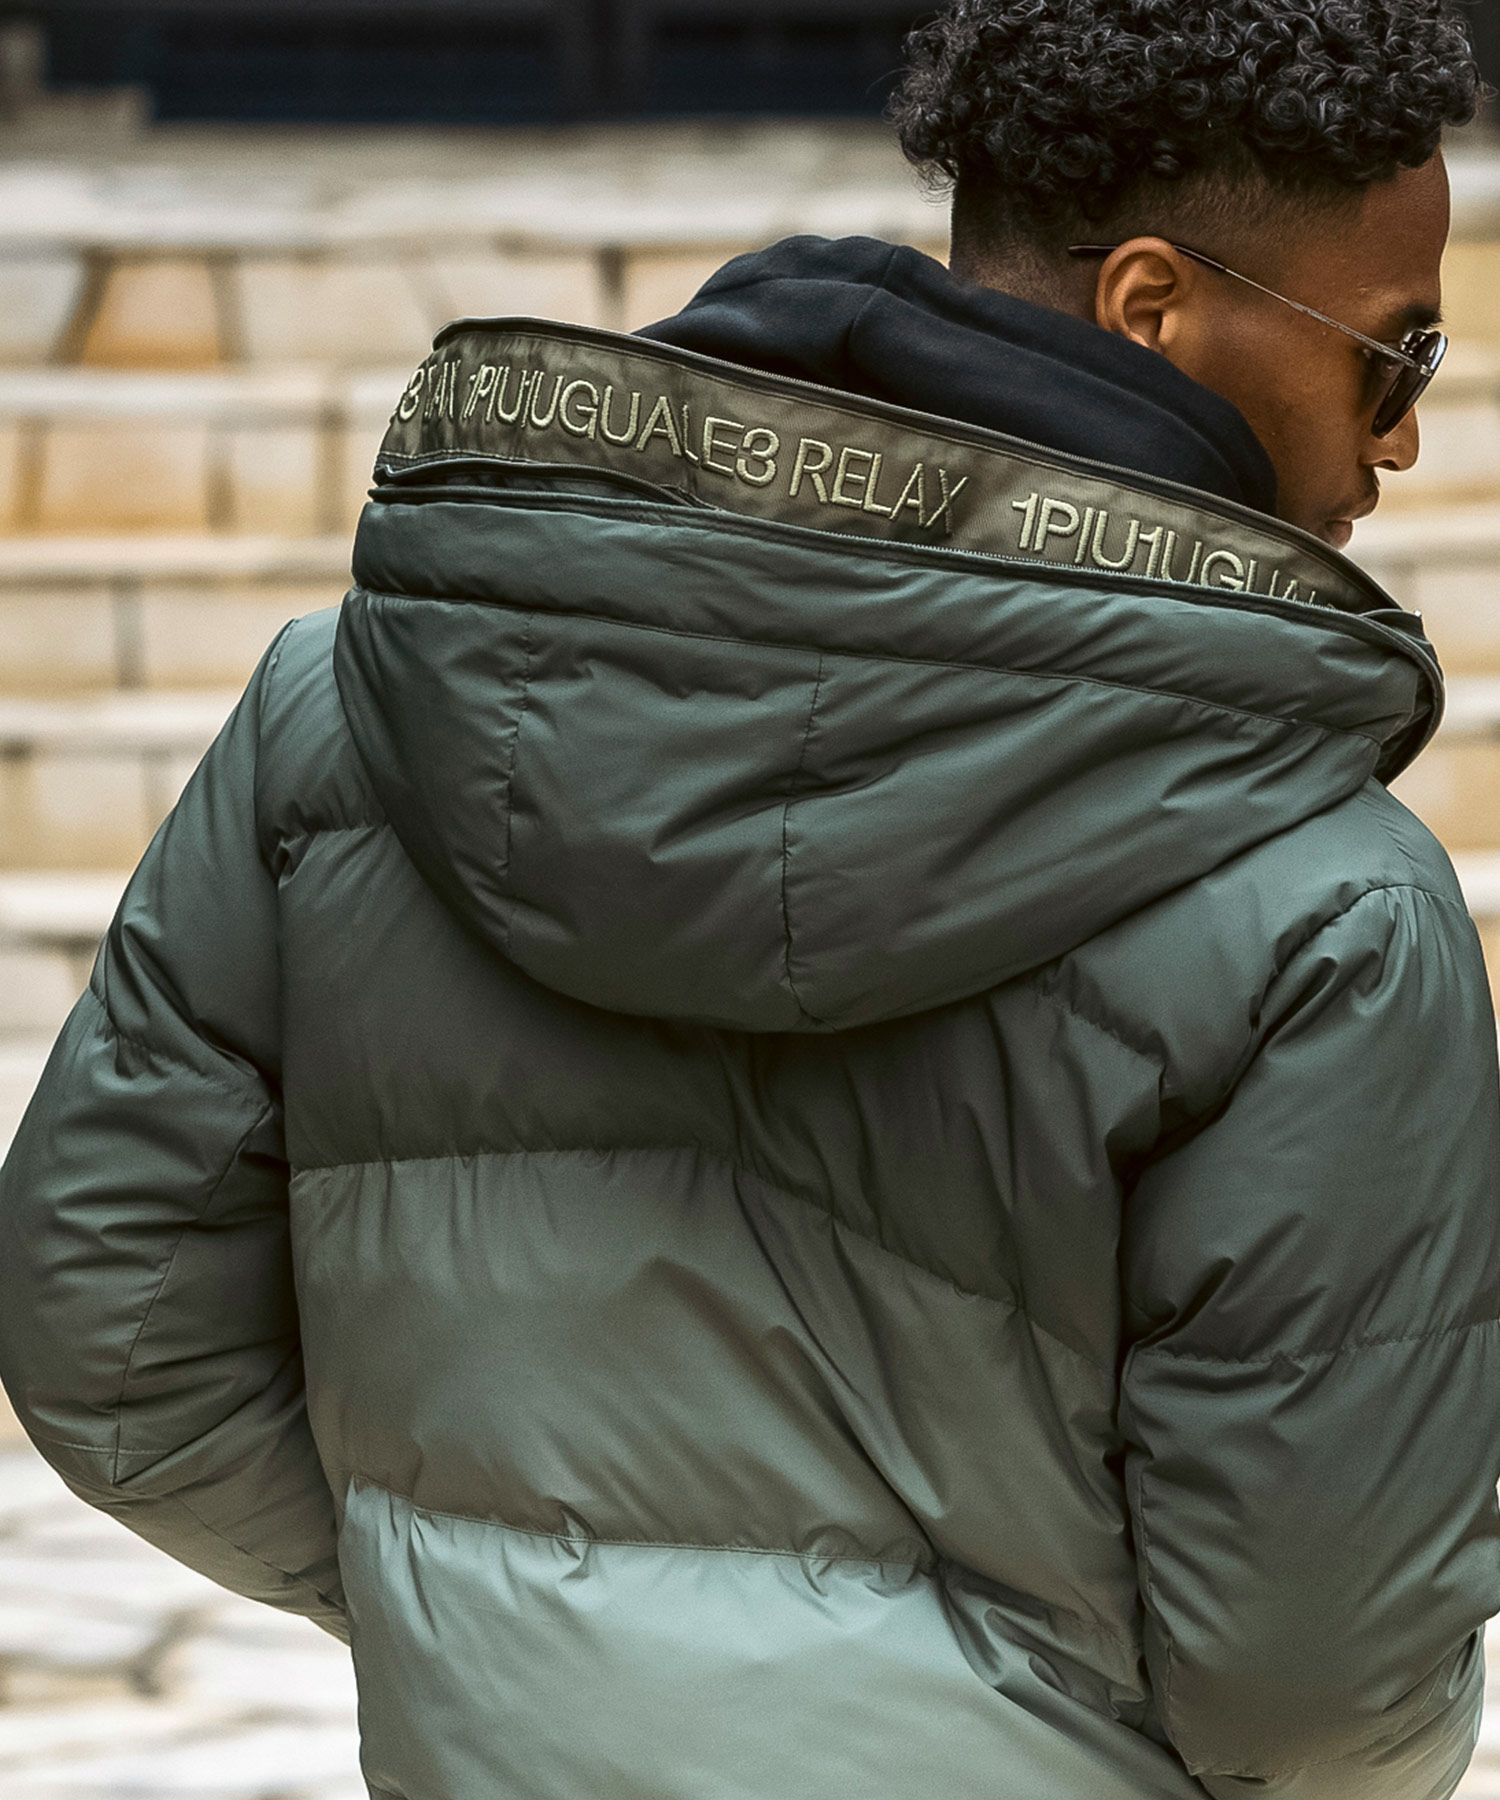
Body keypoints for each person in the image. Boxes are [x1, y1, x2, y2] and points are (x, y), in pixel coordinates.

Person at [1, 2, 1497, 1796]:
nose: (1404, 442)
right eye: (1395, 357)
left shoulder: (337, 722)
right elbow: (1323, 1689)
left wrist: (509, 1628)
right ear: (1152, 307)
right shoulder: (1329, 915)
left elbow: (107, 1333)